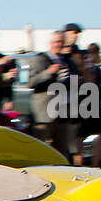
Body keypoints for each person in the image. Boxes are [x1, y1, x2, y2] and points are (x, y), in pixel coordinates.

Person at [28, 30, 81, 163]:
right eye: (57, 41)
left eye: (61, 42)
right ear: (50, 43)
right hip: (45, 114)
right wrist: (48, 72)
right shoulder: (40, 59)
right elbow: (32, 82)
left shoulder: (68, 60)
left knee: (62, 150)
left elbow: (77, 80)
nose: (59, 44)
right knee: (40, 147)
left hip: (63, 112)